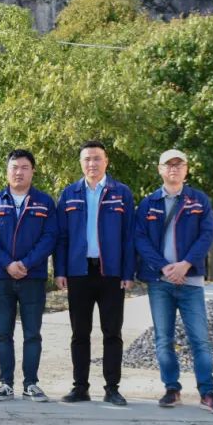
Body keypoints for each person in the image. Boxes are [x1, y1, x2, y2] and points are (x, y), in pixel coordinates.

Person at [134, 149, 213, 415]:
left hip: (191, 280)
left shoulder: (199, 200)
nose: (174, 169)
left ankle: (207, 392)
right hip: (159, 281)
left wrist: (185, 264)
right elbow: (140, 238)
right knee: (163, 339)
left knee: (200, 339)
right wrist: (163, 267)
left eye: (179, 164)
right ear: (160, 169)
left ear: (186, 169)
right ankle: (171, 389)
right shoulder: (149, 203)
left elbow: (206, 234)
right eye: (169, 165)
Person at [55, 140, 136, 406]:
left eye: (97, 158)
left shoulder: (121, 193)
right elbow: (61, 237)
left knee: (112, 332)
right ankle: (80, 387)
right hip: (78, 272)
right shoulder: (69, 194)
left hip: (110, 272)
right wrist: (60, 270)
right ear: (81, 163)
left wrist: (128, 272)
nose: (92, 163)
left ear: (106, 161)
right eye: (87, 159)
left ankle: (112, 388)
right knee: (80, 333)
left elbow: (129, 237)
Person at [0, 149, 57, 403]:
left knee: (32, 333)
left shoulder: (44, 203)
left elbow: (49, 237)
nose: (19, 172)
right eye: (14, 167)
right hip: (2, 278)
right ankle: (5, 383)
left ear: (33, 171)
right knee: (3, 333)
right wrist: (7, 264)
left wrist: (25, 263)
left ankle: (31, 383)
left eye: (24, 167)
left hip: (32, 277)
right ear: (7, 171)